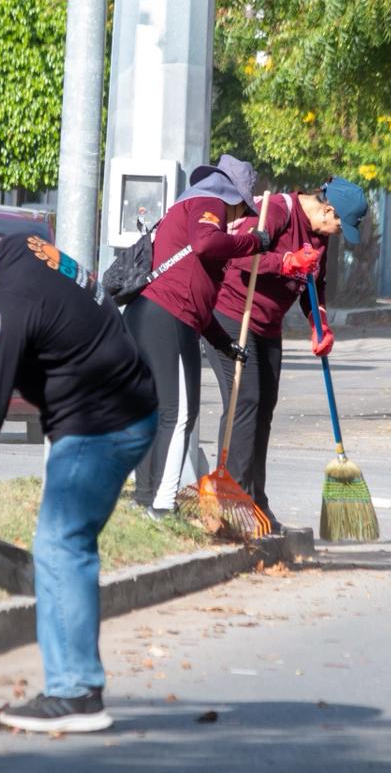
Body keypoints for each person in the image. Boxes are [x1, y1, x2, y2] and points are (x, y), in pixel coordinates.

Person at [0, 209, 158, 734]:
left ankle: (75, 692)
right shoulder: (18, 250)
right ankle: (76, 686)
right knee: (66, 543)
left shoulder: (6, 300)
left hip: (100, 425)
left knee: (61, 545)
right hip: (121, 410)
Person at [204, 177, 368, 529]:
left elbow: (315, 284)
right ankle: (232, 503)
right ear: (328, 209)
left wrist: (319, 323)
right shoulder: (276, 210)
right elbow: (239, 256)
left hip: (268, 327)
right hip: (233, 317)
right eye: (340, 224)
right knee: (244, 402)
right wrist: (285, 262)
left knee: (264, 408)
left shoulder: (319, 234)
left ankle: (255, 501)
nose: (338, 232)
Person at [123, 155, 271, 518]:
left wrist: (225, 344)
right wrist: (253, 244)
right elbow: (206, 243)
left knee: (156, 412)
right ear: (235, 196)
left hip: (163, 316)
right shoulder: (210, 202)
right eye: (243, 210)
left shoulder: (196, 205)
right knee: (179, 413)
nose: (239, 220)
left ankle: (146, 498)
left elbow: (200, 305)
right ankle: (161, 504)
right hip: (165, 317)